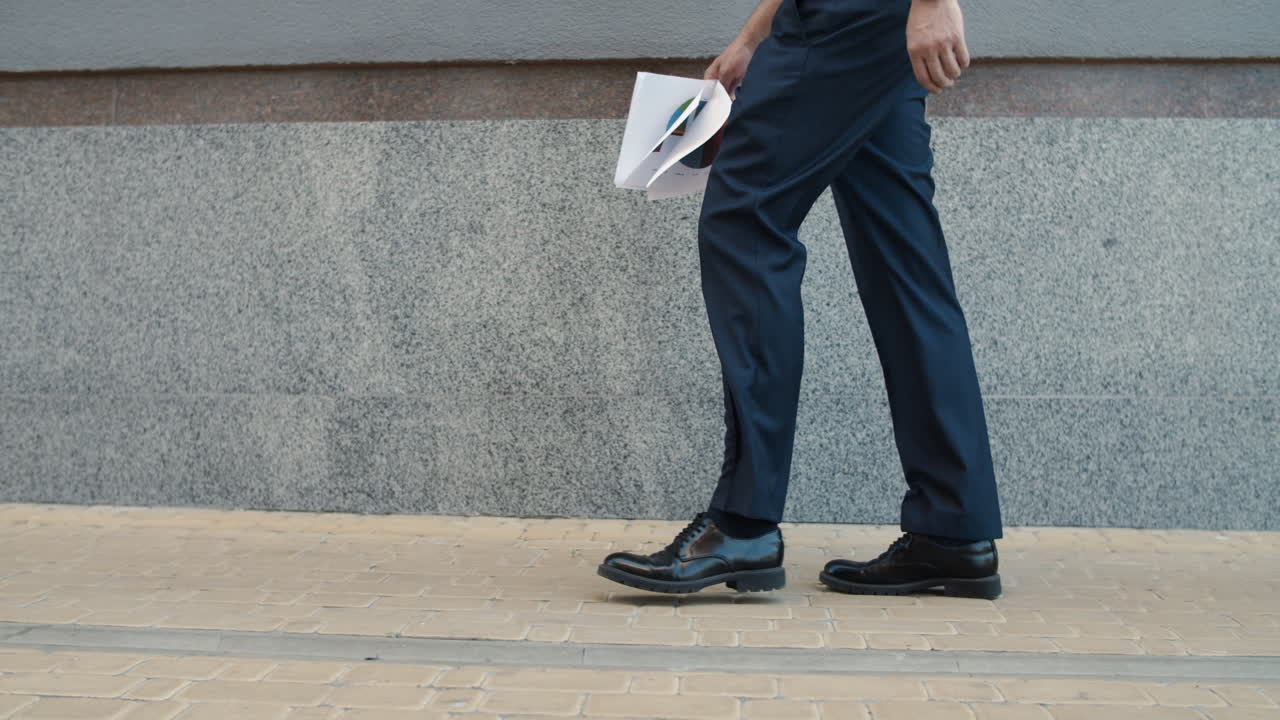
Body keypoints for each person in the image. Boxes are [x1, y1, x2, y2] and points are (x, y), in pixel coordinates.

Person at [598, 0, 1003, 599]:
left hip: (848, 17)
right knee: (905, 266)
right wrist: (755, 33)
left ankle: (743, 524)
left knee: (744, 224)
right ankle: (953, 528)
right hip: (870, 22)